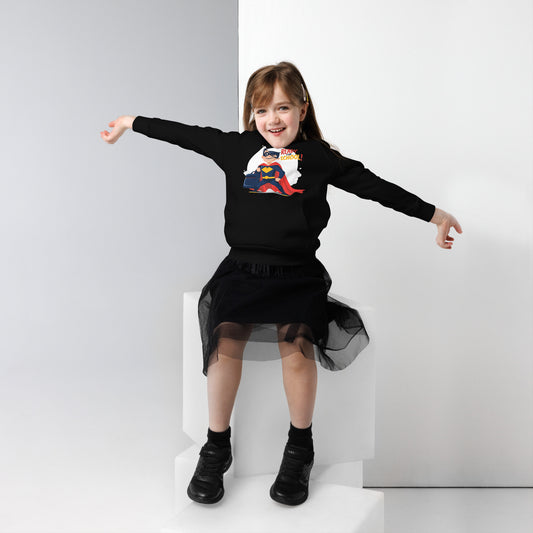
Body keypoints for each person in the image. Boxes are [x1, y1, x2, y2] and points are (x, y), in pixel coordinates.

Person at [100, 61, 462, 506]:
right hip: (242, 272)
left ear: (302, 110)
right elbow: (185, 134)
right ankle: (216, 446)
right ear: (251, 114)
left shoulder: (319, 158)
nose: (273, 119)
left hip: (297, 275)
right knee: (223, 344)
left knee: (298, 351)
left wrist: (435, 216)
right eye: (262, 110)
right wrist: (130, 122)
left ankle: (299, 447)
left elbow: (375, 187)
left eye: (283, 108)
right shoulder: (237, 148)